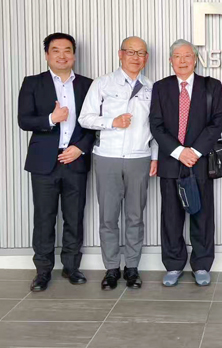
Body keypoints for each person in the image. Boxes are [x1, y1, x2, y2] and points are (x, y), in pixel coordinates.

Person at [78, 36, 158, 290]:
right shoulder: (102, 84)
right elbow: (85, 118)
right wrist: (111, 122)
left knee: (135, 216)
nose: (136, 57)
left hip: (139, 158)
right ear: (120, 54)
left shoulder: (151, 87)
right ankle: (111, 268)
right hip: (107, 157)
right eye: (130, 52)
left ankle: (132, 268)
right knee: (108, 217)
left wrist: (154, 156)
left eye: (141, 53)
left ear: (146, 58)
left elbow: (156, 127)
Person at [18, 33, 95, 292]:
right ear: (47, 55)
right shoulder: (33, 83)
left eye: (67, 50)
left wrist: (80, 148)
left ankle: (71, 267)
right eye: (56, 50)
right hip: (44, 162)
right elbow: (24, 120)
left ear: (74, 55)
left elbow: (94, 124)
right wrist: (52, 118)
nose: (62, 55)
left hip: (75, 160)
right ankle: (42, 271)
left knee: (74, 216)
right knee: (44, 218)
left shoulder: (88, 85)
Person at [149, 39, 222, 287]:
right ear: (170, 60)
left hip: (200, 160)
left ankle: (201, 265)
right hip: (171, 160)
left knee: (202, 215)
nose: (182, 61)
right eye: (177, 56)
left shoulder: (211, 86)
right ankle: (173, 265)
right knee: (171, 216)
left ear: (195, 59)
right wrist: (178, 151)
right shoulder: (161, 87)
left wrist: (194, 151)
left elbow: (217, 121)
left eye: (187, 56)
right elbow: (156, 124)